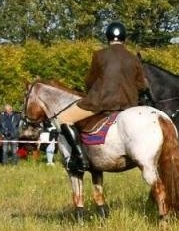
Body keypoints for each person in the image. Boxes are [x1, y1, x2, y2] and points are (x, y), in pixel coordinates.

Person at [54, 21, 150, 176]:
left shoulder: (99, 55)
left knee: (63, 118)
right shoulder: (133, 58)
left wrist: (91, 92)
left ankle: (80, 158)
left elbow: (89, 81)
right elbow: (141, 86)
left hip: (101, 103)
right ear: (124, 38)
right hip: (129, 105)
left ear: (108, 37)